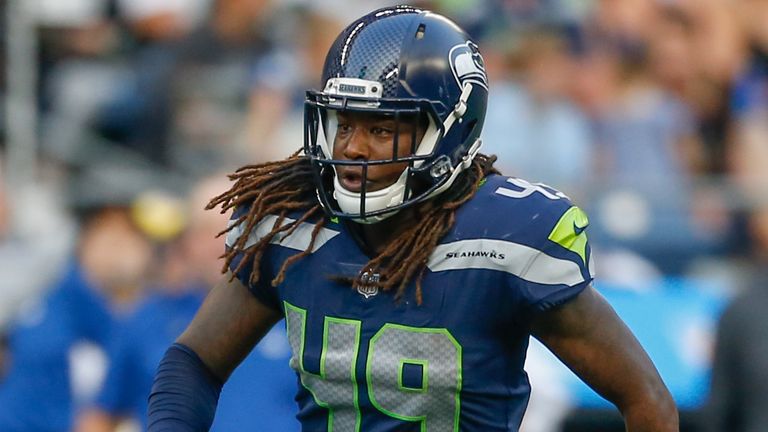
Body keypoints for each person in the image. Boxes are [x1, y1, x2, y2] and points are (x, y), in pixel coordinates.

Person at [148, 6, 678, 431]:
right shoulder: (293, 221)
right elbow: (193, 361)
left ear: (449, 132)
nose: (353, 148)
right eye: (343, 123)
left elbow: (646, 399)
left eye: (381, 130)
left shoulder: (509, 237)